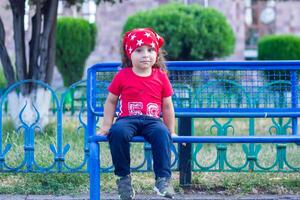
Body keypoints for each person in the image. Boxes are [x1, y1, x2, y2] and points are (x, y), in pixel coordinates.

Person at [99, 27, 176, 200]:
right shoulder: (123, 75)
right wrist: (106, 125)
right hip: (127, 119)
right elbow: (111, 101)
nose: (145, 55)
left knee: (162, 134)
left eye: (150, 50)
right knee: (117, 133)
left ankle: (163, 180)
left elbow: (167, 106)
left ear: (156, 54)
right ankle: (123, 179)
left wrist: (171, 130)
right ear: (129, 54)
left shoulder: (161, 76)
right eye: (139, 50)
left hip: (152, 121)